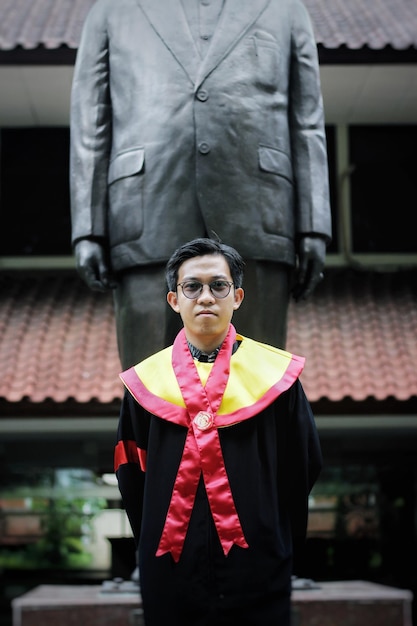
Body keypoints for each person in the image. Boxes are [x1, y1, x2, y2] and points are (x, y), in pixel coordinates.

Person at [70, 0, 332, 369]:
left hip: (259, 213)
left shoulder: (285, 9)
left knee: (257, 384)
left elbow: (307, 121)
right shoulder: (112, 11)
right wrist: (89, 228)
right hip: (147, 213)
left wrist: (313, 224)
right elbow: (90, 123)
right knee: (151, 388)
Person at [115, 237, 322, 626]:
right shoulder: (144, 385)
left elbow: (303, 464)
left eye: (218, 285)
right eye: (191, 286)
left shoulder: (277, 379)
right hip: (169, 565)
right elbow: (131, 472)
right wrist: (152, 539)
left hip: (259, 561)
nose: (205, 296)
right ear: (174, 300)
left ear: (238, 296)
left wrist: (274, 531)